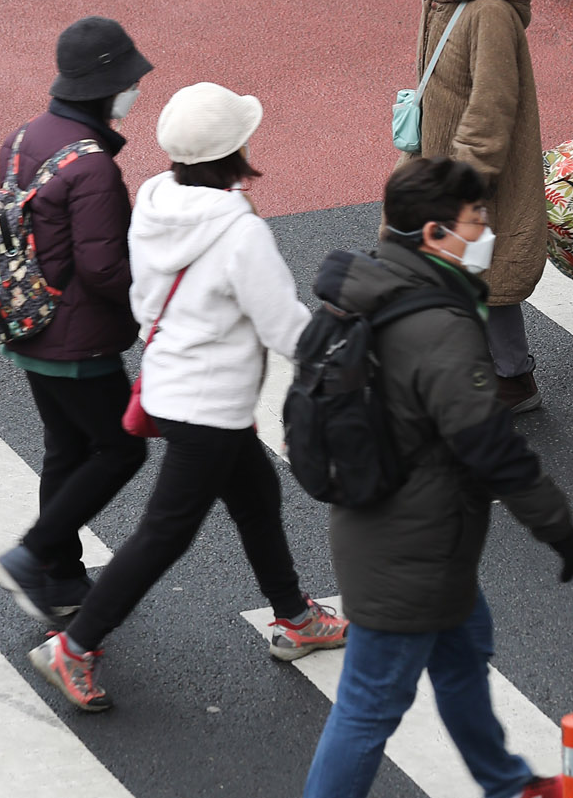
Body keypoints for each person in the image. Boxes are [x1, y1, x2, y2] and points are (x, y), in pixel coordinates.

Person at [290, 156, 573, 798]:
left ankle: (509, 791)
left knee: (460, 661)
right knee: (369, 704)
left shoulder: (375, 290)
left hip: (408, 535)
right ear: (435, 233)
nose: (485, 232)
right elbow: (486, 442)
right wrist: (553, 520)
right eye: (477, 222)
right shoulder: (438, 327)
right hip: (411, 553)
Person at [29, 82, 347, 713]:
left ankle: (293, 615)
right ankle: (77, 643)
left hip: (174, 384)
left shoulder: (152, 203)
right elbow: (283, 326)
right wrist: (349, 358)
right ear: (235, 151)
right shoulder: (240, 234)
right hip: (210, 405)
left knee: (257, 497)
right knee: (164, 534)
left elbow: (144, 297)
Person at [0, 16, 154, 625]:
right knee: (120, 449)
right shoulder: (93, 168)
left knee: (66, 448)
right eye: (131, 79)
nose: (136, 91)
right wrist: (153, 302)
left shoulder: (21, 137)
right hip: (76, 340)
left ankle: (60, 575)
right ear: (106, 85)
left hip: (28, 325)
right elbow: (105, 268)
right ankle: (33, 554)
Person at [413, 0, 548, 413]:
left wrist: (460, 179)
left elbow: (491, 107)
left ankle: (508, 379)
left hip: (473, 174)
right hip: (444, 164)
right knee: (468, 274)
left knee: (477, 276)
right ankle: (497, 373)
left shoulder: (489, 12)